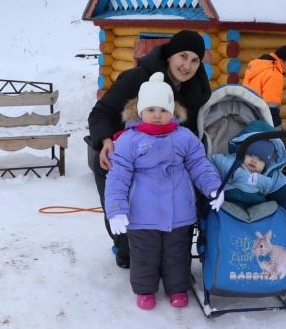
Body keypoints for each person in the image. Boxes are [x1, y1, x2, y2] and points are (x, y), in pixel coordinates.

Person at [87, 30, 211, 268]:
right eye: (182, 57)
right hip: (122, 157)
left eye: (195, 60)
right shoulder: (136, 78)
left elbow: (194, 132)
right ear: (169, 56)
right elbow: (101, 112)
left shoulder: (196, 90)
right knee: (132, 251)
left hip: (166, 165)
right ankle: (124, 246)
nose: (187, 66)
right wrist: (105, 140)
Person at [104, 72, 224, 310]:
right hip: (142, 213)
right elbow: (118, 176)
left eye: (163, 109)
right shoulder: (129, 140)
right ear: (140, 111)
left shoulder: (184, 137)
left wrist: (213, 187)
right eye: (151, 109)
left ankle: (177, 288)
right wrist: (116, 208)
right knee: (144, 255)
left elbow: (199, 164)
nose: (157, 115)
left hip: (179, 212)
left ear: (172, 110)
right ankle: (145, 289)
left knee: (176, 253)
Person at [209, 137, 286, 214]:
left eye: (260, 159)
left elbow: (284, 188)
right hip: (228, 205)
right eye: (250, 155)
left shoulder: (269, 177)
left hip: (257, 211)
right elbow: (211, 162)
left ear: (266, 164)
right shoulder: (231, 164)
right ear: (243, 154)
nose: (254, 160)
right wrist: (215, 186)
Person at [242, 45, 286, 129]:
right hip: (260, 122)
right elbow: (271, 109)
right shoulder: (274, 74)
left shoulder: (256, 66)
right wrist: (279, 132)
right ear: (283, 60)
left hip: (244, 117)